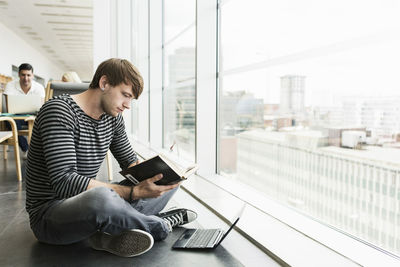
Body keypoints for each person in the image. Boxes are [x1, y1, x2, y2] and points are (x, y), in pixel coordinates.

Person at [25, 58, 197, 257]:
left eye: (131, 99)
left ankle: (111, 230)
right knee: (103, 198)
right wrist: (133, 193)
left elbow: (131, 165)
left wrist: (162, 169)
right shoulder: (58, 111)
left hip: (89, 208)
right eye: (125, 95)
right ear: (104, 83)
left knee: (166, 180)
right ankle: (160, 224)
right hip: (51, 216)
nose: (127, 105)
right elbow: (65, 183)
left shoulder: (112, 118)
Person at [4, 63, 45, 158]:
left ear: (32, 75)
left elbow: (41, 107)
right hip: (15, 116)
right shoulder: (10, 86)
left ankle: (39, 152)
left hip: (34, 116)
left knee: (43, 122)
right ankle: (26, 149)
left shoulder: (39, 87)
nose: (26, 78)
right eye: (23, 75)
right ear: (18, 74)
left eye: (28, 75)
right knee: (10, 123)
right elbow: (8, 107)